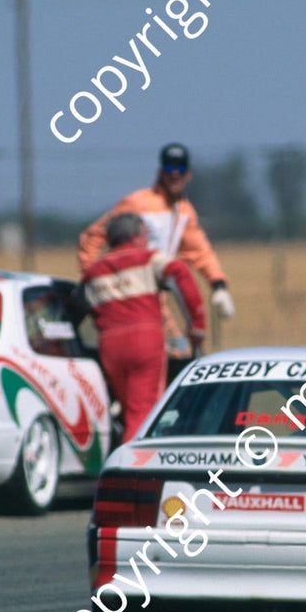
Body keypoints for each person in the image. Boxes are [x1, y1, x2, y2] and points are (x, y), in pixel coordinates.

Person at [78, 143, 235, 368]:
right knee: (156, 357)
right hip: (132, 295)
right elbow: (93, 236)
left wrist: (218, 284)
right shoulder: (138, 203)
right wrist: (94, 280)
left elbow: (199, 250)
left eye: (179, 169)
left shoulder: (184, 211)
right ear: (160, 171)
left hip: (157, 298)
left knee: (181, 356)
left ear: (187, 174)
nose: (174, 174)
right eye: (169, 168)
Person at [80, 213, 205, 442]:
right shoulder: (148, 258)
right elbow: (180, 273)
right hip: (145, 340)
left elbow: (81, 304)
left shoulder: (93, 272)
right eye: (146, 236)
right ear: (136, 236)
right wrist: (197, 323)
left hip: (109, 345)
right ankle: (135, 469)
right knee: (144, 411)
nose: (148, 241)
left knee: (129, 410)